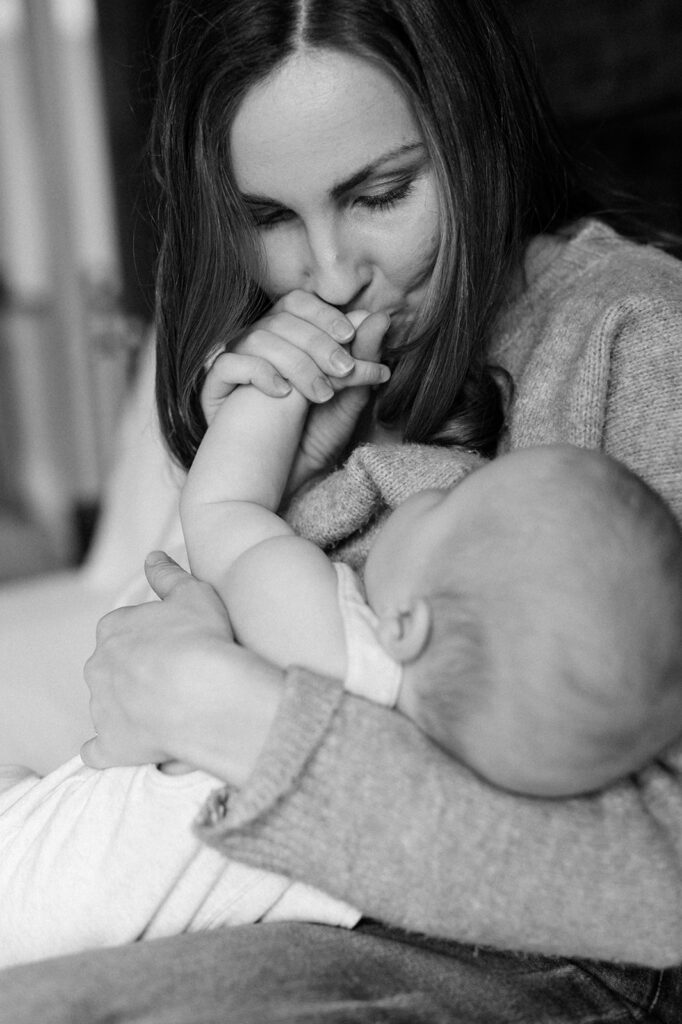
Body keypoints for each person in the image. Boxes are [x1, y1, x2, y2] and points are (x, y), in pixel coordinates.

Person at [2, 0, 681, 1020]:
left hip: (513, 962)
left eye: (380, 192)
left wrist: (255, 724)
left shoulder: (631, 334)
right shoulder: (303, 382)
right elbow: (149, 686)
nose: (326, 273)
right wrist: (286, 472)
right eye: (270, 218)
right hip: (261, 897)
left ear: (470, 132)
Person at [183, 369, 682, 799]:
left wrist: (277, 389)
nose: (433, 485)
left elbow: (222, 510)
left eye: (448, 499)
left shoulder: (330, 642)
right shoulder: (442, 770)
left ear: (405, 624)